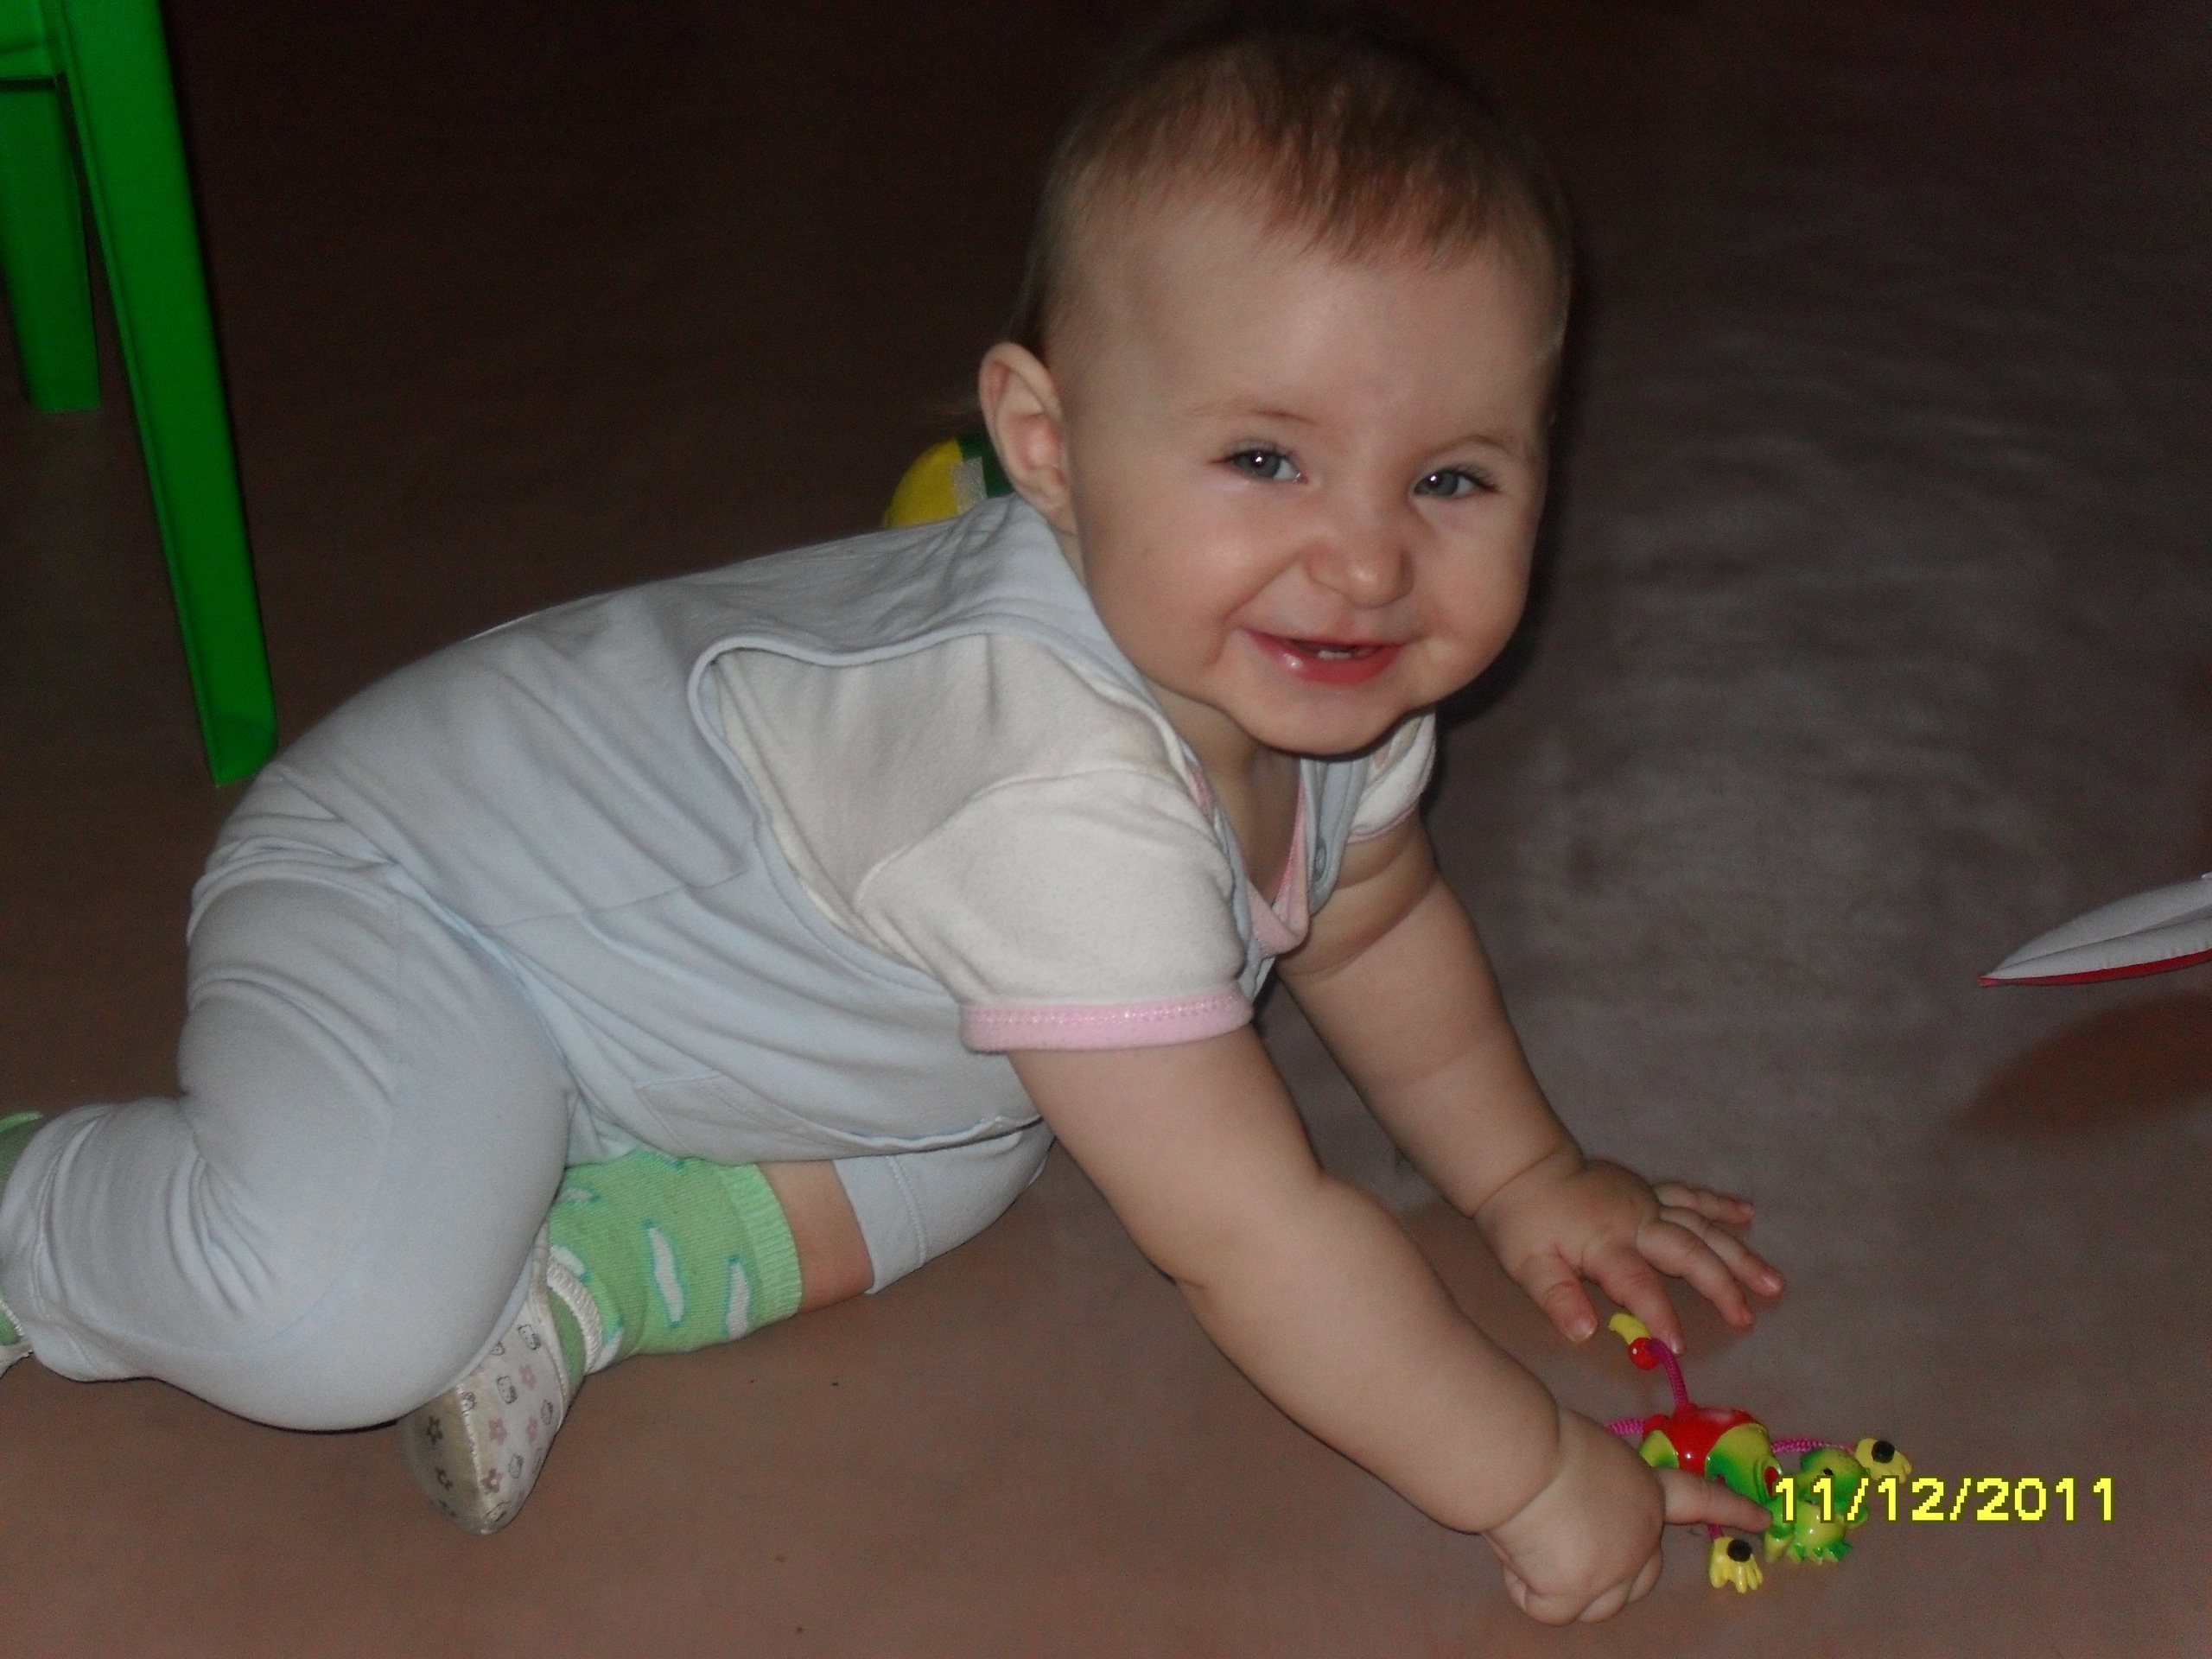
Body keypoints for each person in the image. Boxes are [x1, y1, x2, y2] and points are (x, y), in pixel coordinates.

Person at [0, 1, 1781, 1622]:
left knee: (1008, 1122)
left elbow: (1374, 920)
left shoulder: (1316, 678)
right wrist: (1530, 1474)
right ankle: (33, 1214)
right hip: (424, 897)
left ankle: (588, 1266)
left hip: (722, 982)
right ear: (1046, 443)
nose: (1369, 558)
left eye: (1451, 477)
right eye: (1265, 458)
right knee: (334, 1317)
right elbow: (1251, 1238)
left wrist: (1524, 1178)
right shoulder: (1050, 792)